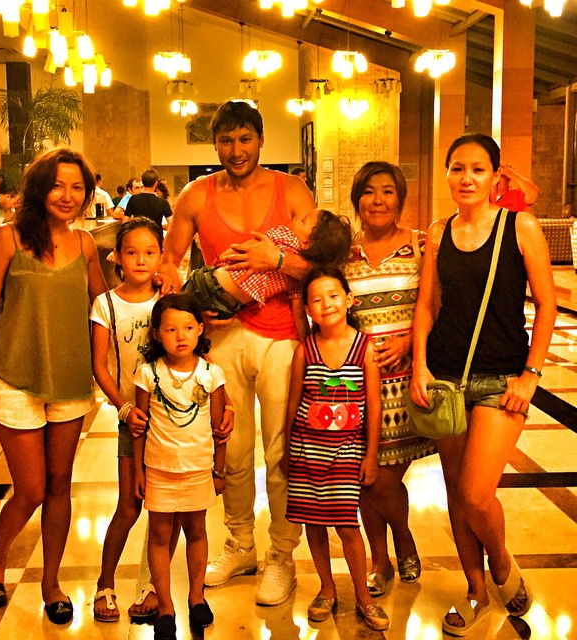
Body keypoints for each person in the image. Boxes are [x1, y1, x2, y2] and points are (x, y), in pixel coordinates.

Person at [158, 100, 316, 605]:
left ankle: (282, 556)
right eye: (226, 140)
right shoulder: (195, 195)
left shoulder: (292, 190)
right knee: (234, 449)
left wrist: (277, 258)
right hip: (222, 338)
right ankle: (241, 543)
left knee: (281, 450)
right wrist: (194, 312)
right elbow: (169, 264)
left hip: (282, 336)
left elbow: (322, 265)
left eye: (245, 138)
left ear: (261, 140)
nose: (236, 149)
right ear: (215, 144)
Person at [410, 133, 556, 636]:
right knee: (456, 492)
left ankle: (501, 563)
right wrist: (420, 366)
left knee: (476, 493)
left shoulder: (521, 226)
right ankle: (475, 590)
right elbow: (426, 306)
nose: (466, 178)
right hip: (447, 376)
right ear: (447, 174)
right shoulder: (438, 231)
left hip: (502, 377)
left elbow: (547, 304)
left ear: (496, 176)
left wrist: (531, 374)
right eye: (457, 168)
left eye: (477, 169)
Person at [0, 148, 107, 624]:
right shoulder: (8, 238)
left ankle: (51, 582)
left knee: (59, 484)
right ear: (39, 189)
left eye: (77, 187)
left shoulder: (86, 245)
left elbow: (104, 306)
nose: (67, 195)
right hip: (14, 376)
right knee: (30, 489)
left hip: (69, 379)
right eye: (57, 185)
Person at [344, 161, 435, 597]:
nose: (377, 200)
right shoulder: (343, 253)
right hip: (356, 386)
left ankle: (402, 537)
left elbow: (436, 306)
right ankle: (381, 560)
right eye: (368, 191)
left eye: (387, 192)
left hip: (402, 383)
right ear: (356, 199)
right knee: (364, 477)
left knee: (384, 479)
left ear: (400, 199)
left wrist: (408, 343)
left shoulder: (420, 246)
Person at [282, 267, 389, 631]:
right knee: (313, 521)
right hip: (306, 450)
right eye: (316, 299)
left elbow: (373, 406)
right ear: (308, 310)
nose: (325, 304)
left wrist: (370, 455)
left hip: (346, 451)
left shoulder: (365, 348)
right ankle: (326, 588)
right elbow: (294, 402)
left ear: (349, 300)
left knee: (346, 524)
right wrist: (288, 449)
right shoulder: (305, 350)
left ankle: (363, 596)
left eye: (333, 295)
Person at [132, 293, 227, 640]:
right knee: (159, 535)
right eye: (171, 329)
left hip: (198, 468)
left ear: (200, 329)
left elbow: (219, 430)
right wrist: (139, 472)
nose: (181, 336)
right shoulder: (148, 374)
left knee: (197, 531)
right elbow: (139, 428)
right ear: (157, 334)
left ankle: (196, 597)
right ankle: (166, 606)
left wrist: (219, 471)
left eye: (188, 327)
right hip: (159, 469)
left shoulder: (211, 374)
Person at [90, 218, 163, 623]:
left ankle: (154, 584)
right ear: (116, 257)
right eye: (132, 252)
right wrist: (122, 408)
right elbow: (99, 366)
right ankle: (105, 583)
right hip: (130, 417)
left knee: (164, 507)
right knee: (129, 505)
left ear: (161, 256)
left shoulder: (168, 299)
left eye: (150, 252)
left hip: (170, 420)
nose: (141, 260)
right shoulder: (105, 304)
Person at [182, 208, 351, 339]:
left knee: (190, 330)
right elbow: (252, 246)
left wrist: (306, 342)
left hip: (227, 305)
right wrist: (224, 258)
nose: (295, 220)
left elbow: (299, 314)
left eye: (302, 221)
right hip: (210, 285)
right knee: (180, 316)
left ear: (307, 243)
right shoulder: (285, 243)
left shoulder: (289, 242)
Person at [124, 169, 173, 237]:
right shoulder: (163, 202)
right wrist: (161, 227)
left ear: (143, 182)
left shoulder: (133, 199)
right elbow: (172, 223)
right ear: (156, 183)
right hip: (156, 237)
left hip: (138, 236)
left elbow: (125, 221)